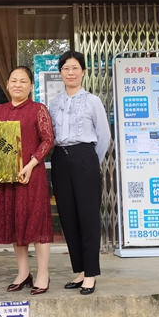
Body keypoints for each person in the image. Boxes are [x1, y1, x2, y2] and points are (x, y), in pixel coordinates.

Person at [0, 66, 55, 295]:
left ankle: (43, 274)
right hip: (8, 178)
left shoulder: (38, 109)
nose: (18, 85)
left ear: (31, 86)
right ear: (7, 84)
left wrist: (31, 164)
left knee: (37, 223)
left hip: (31, 176)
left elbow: (47, 140)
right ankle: (23, 273)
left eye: (23, 81)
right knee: (17, 223)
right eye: (13, 80)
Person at [48, 51, 111, 296]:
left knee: (88, 217)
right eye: (66, 68)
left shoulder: (93, 101)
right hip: (60, 159)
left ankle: (91, 273)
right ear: (60, 72)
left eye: (75, 68)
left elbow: (104, 136)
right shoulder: (55, 103)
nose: (70, 73)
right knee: (68, 217)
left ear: (83, 71)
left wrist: (90, 162)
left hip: (85, 157)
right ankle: (81, 271)